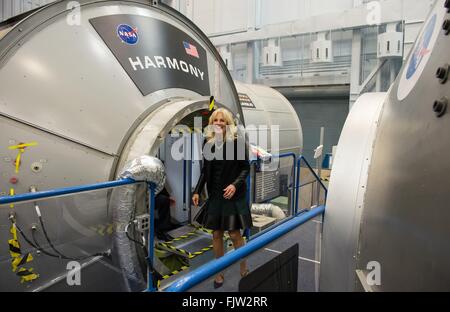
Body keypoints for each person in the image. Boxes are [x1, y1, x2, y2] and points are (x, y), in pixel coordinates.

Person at [192, 108, 252, 289]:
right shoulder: (207, 142)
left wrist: (235, 185)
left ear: (228, 124)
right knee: (216, 233)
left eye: (222, 120)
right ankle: (219, 271)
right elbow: (205, 171)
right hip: (216, 195)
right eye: (215, 120)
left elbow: (245, 168)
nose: (218, 123)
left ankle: (243, 267)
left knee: (234, 234)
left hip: (232, 195)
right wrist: (197, 191)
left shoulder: (237, 143)